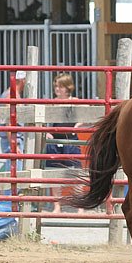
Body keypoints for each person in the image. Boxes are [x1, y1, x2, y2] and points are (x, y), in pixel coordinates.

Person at [44, 73, 83, 214]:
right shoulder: (52, 102)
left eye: (60, 86)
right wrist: (47, 132)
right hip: (54, 141)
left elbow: (87, 114)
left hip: (71, 140)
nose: (57, 89)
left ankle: (80, 207)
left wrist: (77, 125)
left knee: (76, 172)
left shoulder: (75, 101)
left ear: (68, 88)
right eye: (56, 86)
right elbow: (45, 119)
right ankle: (57, 207)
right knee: (54, 174)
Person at [0, 70, 26, 172]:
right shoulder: (11, 96)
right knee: (14, 173)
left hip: (13, 139)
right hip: (14, 139)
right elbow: (9, 123)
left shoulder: (9, 94)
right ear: (22, 81)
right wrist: (14, 144)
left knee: (13, 172)